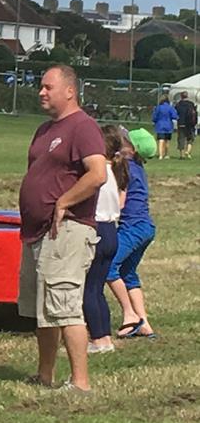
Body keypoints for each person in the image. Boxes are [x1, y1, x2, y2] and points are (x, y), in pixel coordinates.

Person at [17, 64, 106, 392]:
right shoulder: (44, 130)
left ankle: (80, 381)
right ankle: (45, 374)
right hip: (38, 232)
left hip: (68, 230)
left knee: (65, 306)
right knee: (44, 308)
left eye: (47, 87)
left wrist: (64, 202)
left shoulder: (83, 127)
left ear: (70, 91)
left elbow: (97, 174)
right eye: (40, 86)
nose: (41, 91)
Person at [107, 127, 158, 339]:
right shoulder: (138, 166)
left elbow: (120, 201)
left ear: (130, 148)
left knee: (109, 267)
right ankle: (145, 323)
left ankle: (132, 317)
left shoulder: (125, 167)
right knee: (128, 273)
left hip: (132, 228)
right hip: (146, 228)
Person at [84, 125, 129, 354]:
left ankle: (98, 339)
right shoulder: (115, 172)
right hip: (112, 231)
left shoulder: (98, 173)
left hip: (98, 229)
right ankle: (105, 338)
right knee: (98, 288)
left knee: (88, 290)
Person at [150, 95, 177, 160]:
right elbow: (174, 116)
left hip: (160, 125)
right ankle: (166, 154)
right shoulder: (170, 107)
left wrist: (154, 121)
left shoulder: (158, 107)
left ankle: (160, 155)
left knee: (161, 140)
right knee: (167, 141)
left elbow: (154, 117)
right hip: (168, 125)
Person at [173, 91, 196, 159]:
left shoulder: (178, 104)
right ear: (187, 96)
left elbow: (176, 113)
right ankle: (188, 152)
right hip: (190, 124)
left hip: (181, 123)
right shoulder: (191, 104)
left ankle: (181, 155)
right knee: (190, 138)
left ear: (181, 96)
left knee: (181, 139)